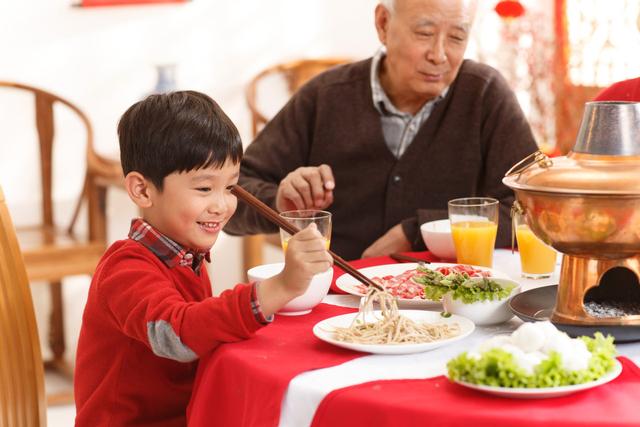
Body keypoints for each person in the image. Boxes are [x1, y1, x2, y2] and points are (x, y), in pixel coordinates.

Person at [73, 91, 332, 426]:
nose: (221, 205)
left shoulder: (188, 257)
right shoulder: (125, 269)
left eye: (232, 188)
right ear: (142, 190)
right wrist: (281, 286)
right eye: (204, 189)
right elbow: (178, 334)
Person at [225, 0, 538, 261]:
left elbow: (535, 213)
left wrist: (418, 232)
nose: (439, 55)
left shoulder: (484, 94)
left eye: (456, 37)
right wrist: (280, 201)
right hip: (339, 303)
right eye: (424, 33)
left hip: (453, 304)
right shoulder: (325, 96)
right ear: (383, 23)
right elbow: (229, 196)